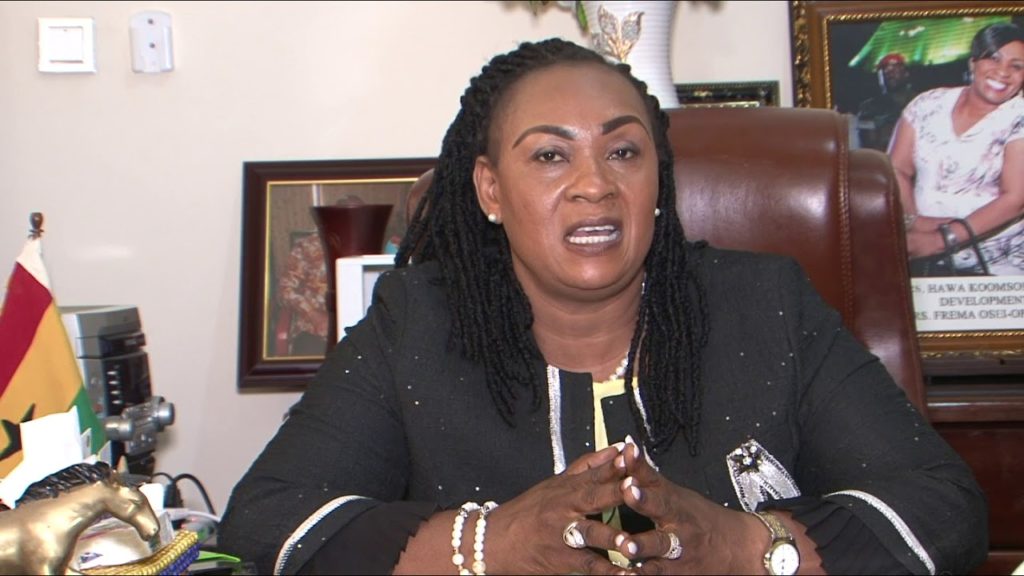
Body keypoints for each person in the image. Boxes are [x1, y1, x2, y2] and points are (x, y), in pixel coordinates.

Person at [219, 38, 987, 575]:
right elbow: (266, 523)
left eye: (623, 151)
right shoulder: (418, 322)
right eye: (550, 155)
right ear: (490, 189)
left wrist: (737, 546)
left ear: (659, 179)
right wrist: (493, 543)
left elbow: (945, 512)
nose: (595, 185)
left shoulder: (765, 306)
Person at [890, 23, 1024, 276]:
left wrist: (940, 240)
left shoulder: (1020, 117)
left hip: (999, 267)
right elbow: (897, 168)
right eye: (993, 58)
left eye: (1016, 66)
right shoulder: (927, 104)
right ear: (973, 63)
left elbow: (1016, 200)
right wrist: (912, 221)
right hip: (922, 260)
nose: (1003, 72)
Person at [855, 53, 917, 151]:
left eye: (895, 69)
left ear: (906, 73)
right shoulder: (868, 107)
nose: (889, 73)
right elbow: (869, 143)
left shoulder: (919, 102)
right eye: (885, 71)